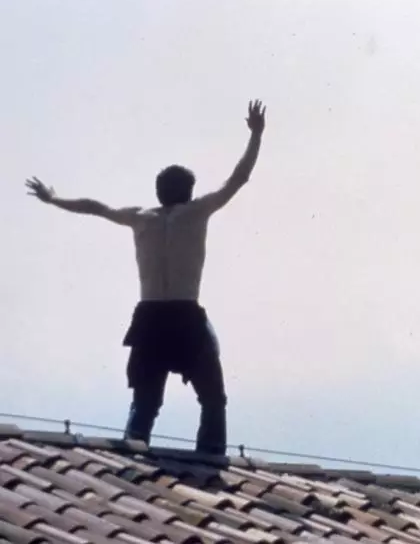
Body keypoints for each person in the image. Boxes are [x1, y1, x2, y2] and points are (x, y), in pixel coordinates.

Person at [24, 99, 267, 455]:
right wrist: (54, 199)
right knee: (176, 398)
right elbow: (237, 179)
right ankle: (180, 452)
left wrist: (54, 199)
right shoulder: (172, 213)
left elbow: (95, 207)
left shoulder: (157, 215)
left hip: (165, 314)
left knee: (172, 398)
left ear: (165, 190)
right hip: (169, 314)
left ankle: (172, 452)